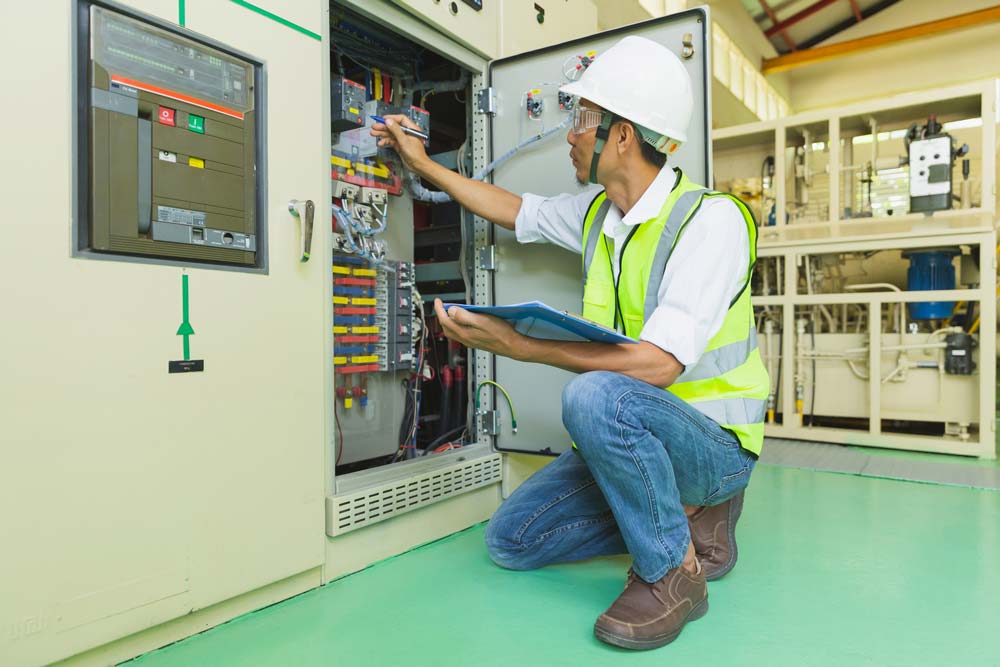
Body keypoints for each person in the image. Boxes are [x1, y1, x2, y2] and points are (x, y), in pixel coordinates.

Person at [371, 35, 768, 651]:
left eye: (583, 118)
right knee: (514, 539)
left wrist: (520, 346)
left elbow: (659, 366)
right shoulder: (596, 214)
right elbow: (515, 209)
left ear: (624, 135)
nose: (571, 134)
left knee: (594, 396)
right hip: (642, 438)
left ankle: (673, 575)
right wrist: (423, 166)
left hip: (713, 445)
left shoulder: (708, 221)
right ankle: (681, 520)